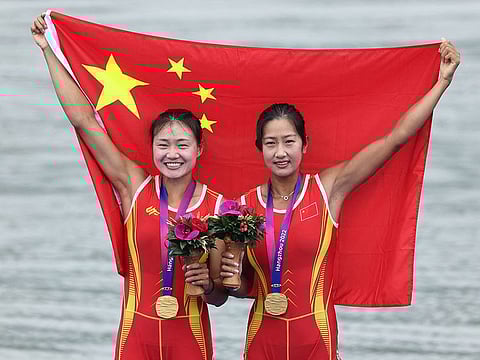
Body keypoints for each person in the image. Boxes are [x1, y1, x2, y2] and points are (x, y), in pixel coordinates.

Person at [221, 40, 460, 359]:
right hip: (261, 340)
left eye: (289, 141)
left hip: (316, 339)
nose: (281, 152)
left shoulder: (327, 189)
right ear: (260, 148)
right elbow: (237, 287)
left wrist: (442, 82)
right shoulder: (243, 208)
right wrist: (230, 281)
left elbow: (395, 140)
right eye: (271, 143)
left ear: (304, 145)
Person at [31, 13, 228, 360]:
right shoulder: (133, 187)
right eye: (163, 145)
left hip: (190, 341)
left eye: (182, 145)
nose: (172, 154)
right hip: (136, 337)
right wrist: (50, 49)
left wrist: (209, 285)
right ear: (151, 149)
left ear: (199, 150)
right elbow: (83, 119)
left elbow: (220, 296)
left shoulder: (218, 208)